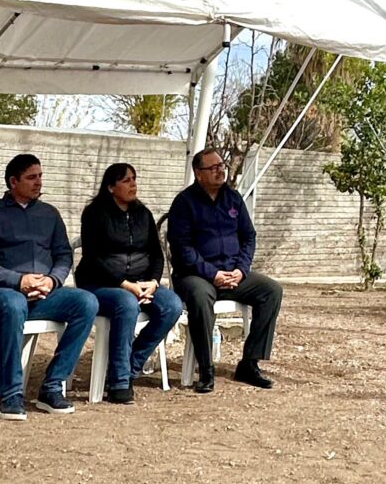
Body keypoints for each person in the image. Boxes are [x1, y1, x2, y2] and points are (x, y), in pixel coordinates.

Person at [0, 154, 98, 419]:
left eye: (40, 176)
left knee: (86, 302)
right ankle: (10, 394)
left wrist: (52, 280)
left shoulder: (49, 214)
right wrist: (18, 280)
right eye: (31, 177)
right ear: (13, 182)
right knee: (14, 305)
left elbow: (63, 255)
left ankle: (53, 385)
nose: (39, 182)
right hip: (7, 292)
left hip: (45, 293)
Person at [166, 148, 282, 393]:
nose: (220, 171)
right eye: (213, 167)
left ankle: (249, 363)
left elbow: (249, 237)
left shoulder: (233, 198)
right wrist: (212, 274)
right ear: (198, 173)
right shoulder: (184, 203)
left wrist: (241, 269)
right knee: (200, 297)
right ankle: (206, 369)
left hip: (233, 273)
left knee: (271, 290)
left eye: (221, 166)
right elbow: (182, 248)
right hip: (195, 276)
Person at [75, 163, 183, 403]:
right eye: (126, 180)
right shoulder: (94, 214)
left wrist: (153, 282)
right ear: (111, 187)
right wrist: (125, 284)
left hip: (140, 282)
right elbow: (94, 257)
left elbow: (156, 254)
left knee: (172, 306)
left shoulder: (143, 214)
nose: (133, 184)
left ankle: (131, 364)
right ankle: (119, 383)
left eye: (134, 179)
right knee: (126, 303)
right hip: (99, 284)